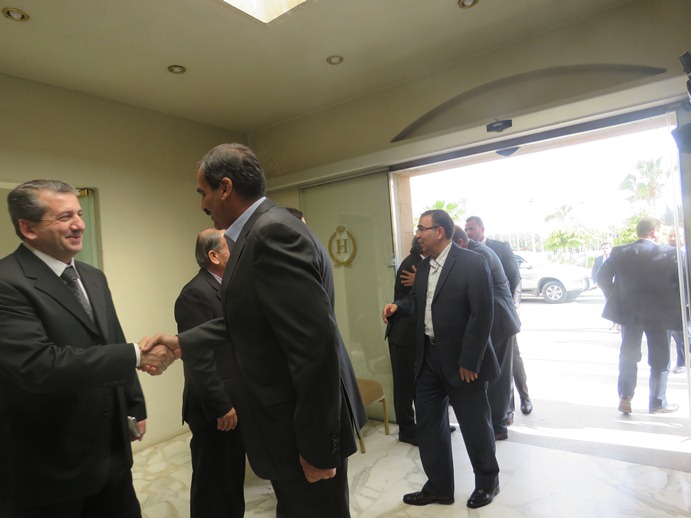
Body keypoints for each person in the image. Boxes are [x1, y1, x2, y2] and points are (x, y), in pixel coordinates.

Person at [144, 143, 367, 518]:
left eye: (203, 192)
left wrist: (317, 448)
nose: (201, 204)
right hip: (288, 423)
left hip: (299, 426)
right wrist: (181, 343)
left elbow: (314, 349)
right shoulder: (257, 233)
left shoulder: (271, 234)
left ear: (225, 187)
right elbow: (249, 319)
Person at [0, 179, 173, 518]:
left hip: (110, 452)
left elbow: (112, 339)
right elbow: (39, 365)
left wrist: (135, 406)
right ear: (28, 228)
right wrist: (137, 355)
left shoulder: (92, 276)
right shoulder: (7, 282)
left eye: (79, 213)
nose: (79, 224)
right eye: (65, 217)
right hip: (49, 462)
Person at [382, 209, 500, 510]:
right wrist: (398, 306)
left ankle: (487, 482)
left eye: (422, 229)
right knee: (429, 426)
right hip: (428, 358)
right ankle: (439, 487)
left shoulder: (472, 263)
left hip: (463, 363)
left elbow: (482, 314)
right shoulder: (424, 267)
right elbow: (419, 301)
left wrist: (470, 360)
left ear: (440, 232)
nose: (417, 234)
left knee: (475, 425)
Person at [174, 228, 245, 518]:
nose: (238, 249)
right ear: (214, 256)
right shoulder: (195, 294)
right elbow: (198, 358)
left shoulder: (228, 287)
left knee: (231, 479)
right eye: (232, 246)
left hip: (235, 400)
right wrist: (221, 405)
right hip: (214, 407)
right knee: (214, 484)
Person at [598, 217, 682, 414]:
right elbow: (682, 281)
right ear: (654, 232)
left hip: (629, 313)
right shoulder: (669, 253)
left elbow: (601, 276)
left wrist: (615, 296)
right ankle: (658, 402)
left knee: (629, 354)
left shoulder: (619, 252)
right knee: (660, 357)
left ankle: (625, 397)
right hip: (659, 315)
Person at [453, 226, 520, 441]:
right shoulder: (474, 252)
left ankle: (499, 426)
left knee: (498, 377)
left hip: (499, 321)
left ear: (460, 243)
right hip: (496, 320)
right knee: (495, 375)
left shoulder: (479, 256)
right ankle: (498, 420)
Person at [465, 216, 533, 416]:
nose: (469, 232)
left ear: (482, 229)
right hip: (484, 318)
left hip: (503, 316)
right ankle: (504, 410)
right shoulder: (467, 251)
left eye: (472, 228)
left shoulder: (500, 248)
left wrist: (511, 306)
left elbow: (514, 278)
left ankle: (524, 397)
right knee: (496, 363)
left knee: (512, 358)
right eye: (466, 229)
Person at [385, 237, 424, 446]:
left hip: (411, 335)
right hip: (402, 335)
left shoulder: (420, 263)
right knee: (404, 385)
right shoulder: (412, 265)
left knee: (415, 383)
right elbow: (418, 299)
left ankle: (425, 425)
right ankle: (407, 430)